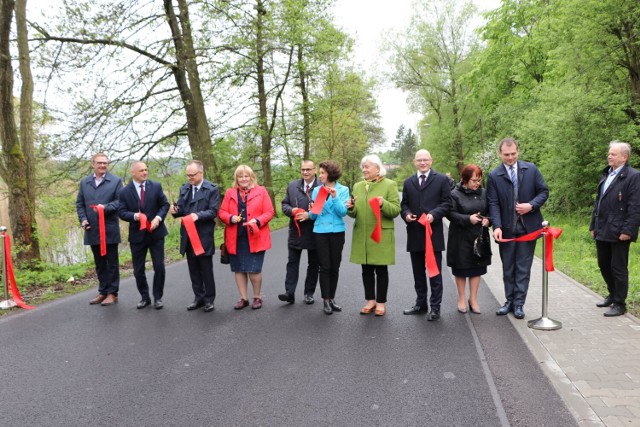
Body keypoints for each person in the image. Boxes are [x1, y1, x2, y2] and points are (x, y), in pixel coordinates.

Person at [487, 137, 548, 319]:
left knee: (523, 268)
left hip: (528, 229)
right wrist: (496, 226)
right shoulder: (494, 175)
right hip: (506, 230)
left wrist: (531, 205)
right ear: (500, 154)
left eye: (513, 153)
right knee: (508, 268)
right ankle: (509, 301)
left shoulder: (531, 169)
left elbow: (543, 192)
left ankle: (519, 304)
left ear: (518, 151)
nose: (510, 158)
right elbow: (493, 203)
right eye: (506, 155)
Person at [400, 149, 452, 321]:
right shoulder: (408, 182)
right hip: (414, 233)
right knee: (418, 273)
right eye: (419, 160)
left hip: (433, 234)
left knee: (434, 273)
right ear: (415, 162)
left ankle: (435, 307)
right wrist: (406, 214)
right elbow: (404, 204)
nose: (422, 163)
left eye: (425, 160)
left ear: (431, 161)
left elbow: (447, 204)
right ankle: (421, 304)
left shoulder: (442, 180)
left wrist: (434, 214)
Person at [590, 141, 640, 317]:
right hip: (602, 227)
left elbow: (635, 207)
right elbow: (598, 203)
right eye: (609, 153)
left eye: (613, 154)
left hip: (620, 231)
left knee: (618, 267)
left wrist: (628, 230)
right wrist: (592, 225)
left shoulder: (633, 176)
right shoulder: (606, 174)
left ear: (624, 157)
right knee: (603, 264)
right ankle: (612, 294)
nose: (609, 156)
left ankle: (620, 303)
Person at [347, 154, 400, 316]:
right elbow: (355, 213)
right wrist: (350, 208)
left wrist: (384, 204)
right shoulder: (357, 186)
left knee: (381, 270)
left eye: (367, 166)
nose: (364, 169)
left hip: (380, 234)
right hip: (362, 234)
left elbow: (396, 210)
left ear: (378, 168)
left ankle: (381, 303)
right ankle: (370, 300)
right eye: (363, 167)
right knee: (366, 269)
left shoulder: (389, 185)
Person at [218, 165, 275, 310]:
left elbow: (269, 212)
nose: (243, 179)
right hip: (235, 237)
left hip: (256, 235)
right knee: (239, 269)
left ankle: (257, 297)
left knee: (254, 269)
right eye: (240, 176)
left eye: (246, 176)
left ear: (251, 177)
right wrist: (230, 218)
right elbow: (222, 212)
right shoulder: (230, 193)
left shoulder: (261, 191)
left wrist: (257, 221)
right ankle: (243, 298)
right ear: (236, 179)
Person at [118, 161, 170, 310]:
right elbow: (121, 212)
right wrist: (135, 216)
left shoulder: (156, 186)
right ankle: (144, 297)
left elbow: (164, 205)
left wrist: (158, 219)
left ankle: (158, 297)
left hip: (156, 233)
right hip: (137, 235)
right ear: (133, 173)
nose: (145, 173)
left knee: (159, 266)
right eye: (141, 170)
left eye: (146, 170)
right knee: (138, 270)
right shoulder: (124, 192)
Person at [170, 160, 220, 313]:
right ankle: (198, 297)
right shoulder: (184, 188)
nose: (189, 178)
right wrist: (175, 210)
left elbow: (213, 211)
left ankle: (209, 299)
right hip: (188, 235)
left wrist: (197, 216)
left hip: (203, 234)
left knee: (206, 268)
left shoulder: (212, 189)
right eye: (187, 175)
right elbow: (181, 208)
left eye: (192, 175)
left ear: (201, 173)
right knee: (193, 269)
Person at [76, 153, 123, 306]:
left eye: (105, 163)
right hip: (93, 229)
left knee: (111, 263)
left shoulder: (115, 181)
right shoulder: (84, 182)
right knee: (99, 263)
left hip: (109, 229)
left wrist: (105, 208)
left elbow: (120, 202)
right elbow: (80, 204)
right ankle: (103, 291)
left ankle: (112, 293)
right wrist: (83, 219)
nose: (103, 165)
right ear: (93, 164)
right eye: (99, 163)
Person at [446, 164, 491, 314]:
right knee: (460, 269)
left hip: (478, 236)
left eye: (479, 180)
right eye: (474, 180)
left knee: (476, 268)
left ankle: (473, 299)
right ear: (464, 180)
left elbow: (491, 211)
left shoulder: (484, 193)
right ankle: (461, 298)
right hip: (459, 237)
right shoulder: (454, 194)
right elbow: (450, 214)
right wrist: (468, 219)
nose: (477, 183)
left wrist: (488, 220)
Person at [309, 160, 349, 315]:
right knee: (324, 266)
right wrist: (312, 210)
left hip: (337, 231)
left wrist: (334, 197)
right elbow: (313, 216)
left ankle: (332, 298)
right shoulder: (316, 190)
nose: (320, 176)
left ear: (330, 174)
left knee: (335, 266)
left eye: (322, 173)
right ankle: (325, 299)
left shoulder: (343, 189)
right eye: (320, 173)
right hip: (320, 231)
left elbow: (342, 212)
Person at [279, 160, 320, 304]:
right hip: (296, 232)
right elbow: (284, 204)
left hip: (315, 231)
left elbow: (325, 209)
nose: (305, 172)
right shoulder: (292, 186)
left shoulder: (322, 186)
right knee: (292, 262)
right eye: (303, 169)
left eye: (308, 169)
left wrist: (309, 215)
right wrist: (292, 211)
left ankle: (309, 293)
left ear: (315, 170)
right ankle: (289, 293)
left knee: (313, 264)